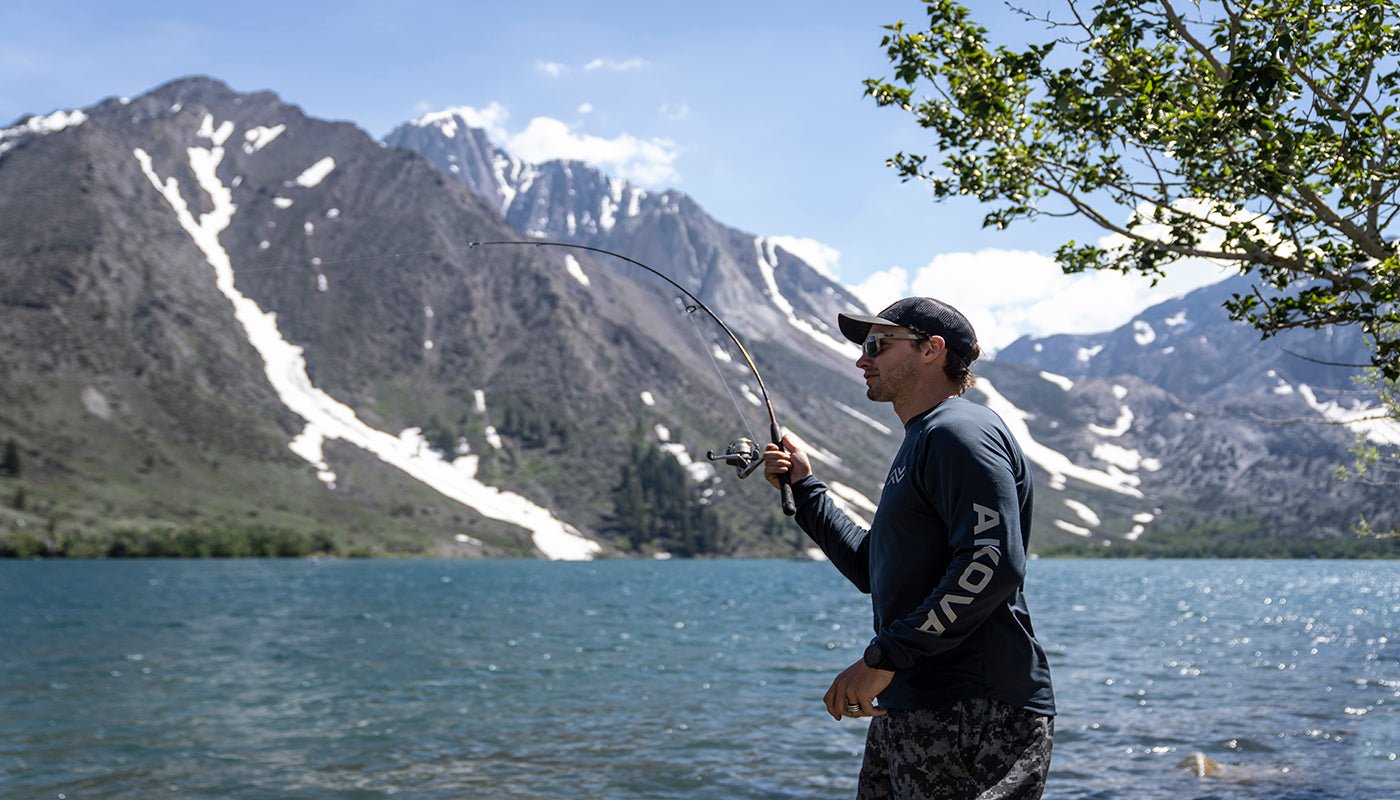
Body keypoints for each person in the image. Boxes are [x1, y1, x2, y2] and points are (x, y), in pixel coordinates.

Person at [763, 297, 1055, 799]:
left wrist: (883, 659)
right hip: (916, 703)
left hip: (975, 708)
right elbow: (871, 567)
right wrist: (806, 490)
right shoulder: (923, 440)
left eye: (879, 343)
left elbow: (991, 560)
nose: (862, 358)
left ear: (931, 350)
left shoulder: (959, 431)